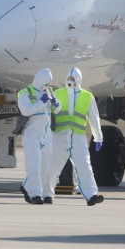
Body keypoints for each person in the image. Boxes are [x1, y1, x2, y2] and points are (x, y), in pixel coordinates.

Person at [45, 67, 104, 206]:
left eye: (73, 79)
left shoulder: (87, 96)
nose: (70, 81)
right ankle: (46, 194)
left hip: (78, 138)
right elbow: (49, 112)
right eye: (69, 79)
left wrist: (98, 137)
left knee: (84, 166)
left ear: (78, 80)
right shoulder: (58, 93)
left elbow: (94, 118)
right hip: (59, 136)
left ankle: (91, 195)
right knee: (52, 166)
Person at [18, 67, 61, 205]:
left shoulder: (48, 91)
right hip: (31, 133)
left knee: (46, 166)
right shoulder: (25, 93)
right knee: (34, 165)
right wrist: (41, 101)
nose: (48, 86)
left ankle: (33, 189)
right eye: (46, 83)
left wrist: (56, 104)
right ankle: (35, 195)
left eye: (49, 84)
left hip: (46, 133)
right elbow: (25, 110)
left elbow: (57, 109)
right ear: (40, 81)